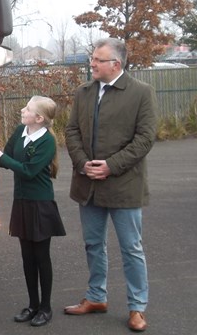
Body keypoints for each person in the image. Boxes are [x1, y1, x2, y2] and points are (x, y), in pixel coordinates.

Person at [63, 38, 158, 332]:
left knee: (131, 248)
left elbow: (145, 138)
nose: (91, 63)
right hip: (88, 184)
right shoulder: (84, 92)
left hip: (124, 186)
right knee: (93, 244)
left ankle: (137, 308)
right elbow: (71, 130)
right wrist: (82, 163)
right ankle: (96, 297)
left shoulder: (141, 93)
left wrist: (111, 166)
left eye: (97, 59)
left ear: (115, 64)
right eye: (92, 58)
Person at [0, 95, 66, 327]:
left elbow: (28, 171)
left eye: (27, 109)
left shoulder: (46, 141)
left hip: (40, 204)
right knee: (27, 256)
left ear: (39, 118)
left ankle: (45, 308)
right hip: (22, 202)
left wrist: (0, 156)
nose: (22, 110)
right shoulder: (20, 131)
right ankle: (33, 305)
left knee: (41, 257)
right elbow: (9, 160)